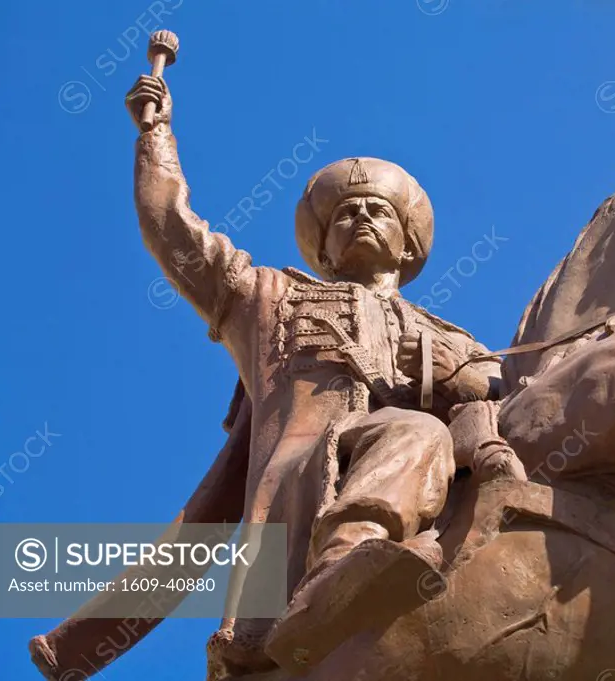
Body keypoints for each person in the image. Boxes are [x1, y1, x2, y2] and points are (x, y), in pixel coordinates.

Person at [124, 73, 502, 675]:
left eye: (377, 211)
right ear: (324, 250)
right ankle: (340, 570)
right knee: (415, 432)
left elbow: (504, 392)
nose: (360, 217)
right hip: (303, 477)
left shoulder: (450, 335)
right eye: (344, 214)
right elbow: (170, 229)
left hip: (425, 492)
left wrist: (451, 374)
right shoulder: (263, 295)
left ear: (406, 247)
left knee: (428, 438)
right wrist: (155, 133)